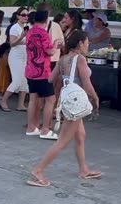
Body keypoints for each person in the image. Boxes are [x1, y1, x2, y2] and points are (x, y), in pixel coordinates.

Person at [27, 30, 102, 187]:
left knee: (81, 136)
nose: (88, 45)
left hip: (68, 101)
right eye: (87, 43)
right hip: (77, 102)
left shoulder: (63, 59)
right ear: (80, 43)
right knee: (63, 141)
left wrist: (66, 78)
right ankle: (39, 170)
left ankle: (84, 169)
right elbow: (87, 83)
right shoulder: (80, 59)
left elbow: (50, 78)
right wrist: (95, 97)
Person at [24, 9, 57, 139]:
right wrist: (55, 44)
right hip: (42, 70)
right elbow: (50, 52)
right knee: (50, 99)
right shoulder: (44, 33)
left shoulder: (30, 32)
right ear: (46, 20)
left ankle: (31, 127)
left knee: (33, 99)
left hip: (30, 69)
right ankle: (45, 129)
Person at [0, 8, 30, 113]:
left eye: (27, 15)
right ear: (18, 16)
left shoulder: (25, 28)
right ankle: (4, 100)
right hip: (16, 56)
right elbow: (12, 43)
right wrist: (22, 37)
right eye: (23, 15)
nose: (25, 17)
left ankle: (20, 104)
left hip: (24, 56)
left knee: (25, 80)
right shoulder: (15, 28)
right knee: (17, 80)